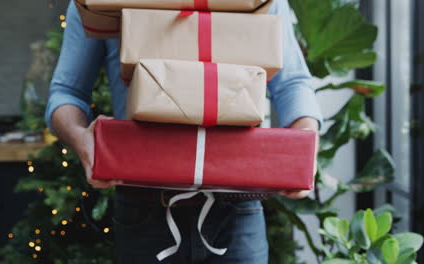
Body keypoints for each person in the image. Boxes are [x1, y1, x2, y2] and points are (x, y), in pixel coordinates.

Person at [45, 0, 323, 263]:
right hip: (143, 206)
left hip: (237, 207)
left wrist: (306, 147)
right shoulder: (99, 3)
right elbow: (66, 92)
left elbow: (291, 83)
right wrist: (81, 137)